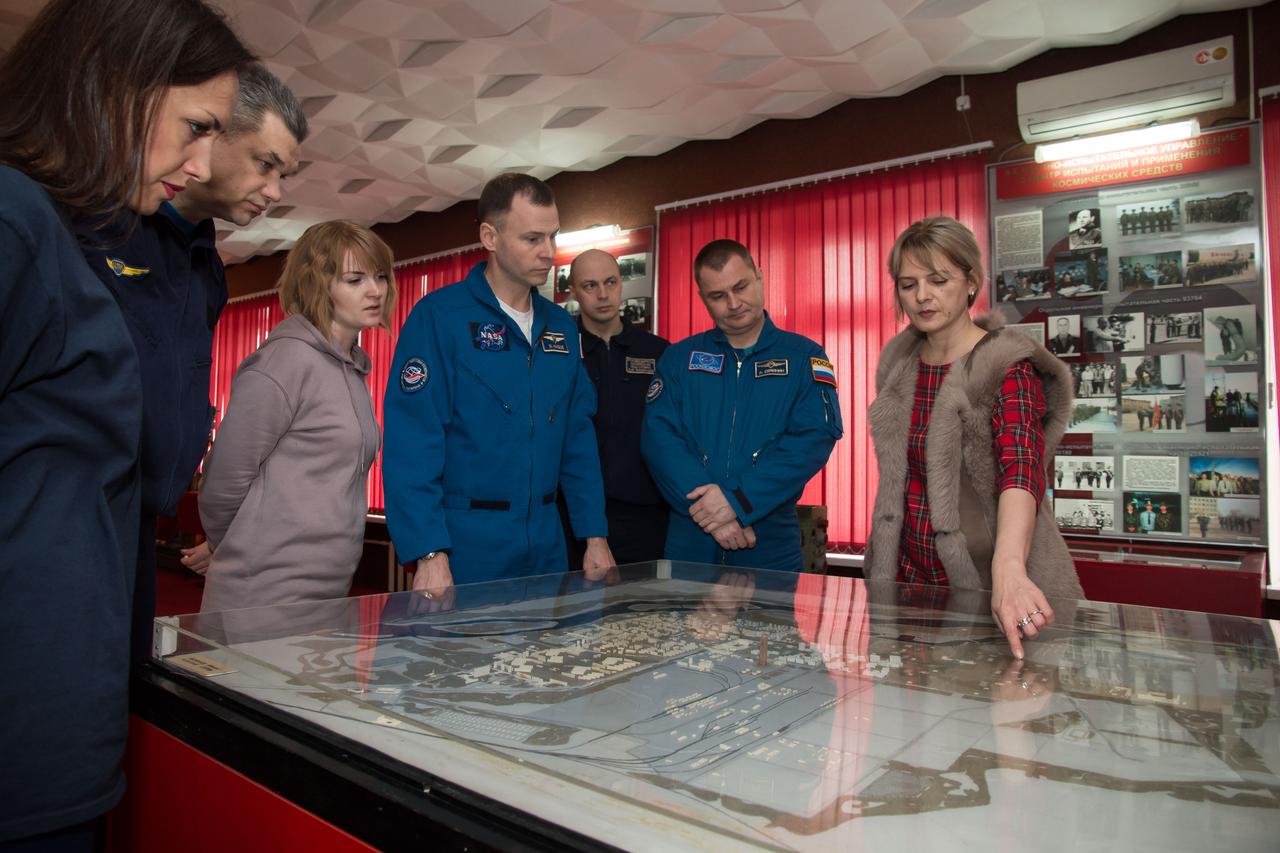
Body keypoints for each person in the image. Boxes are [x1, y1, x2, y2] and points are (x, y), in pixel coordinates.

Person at [0, 0, 251, 847]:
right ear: (113, 83)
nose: (203, 162)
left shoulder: (60, 234)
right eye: (196, 126)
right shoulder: (14, 223)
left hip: (52, 729)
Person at [78, 63, 307, 650]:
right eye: (266, 164)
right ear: (212, 134)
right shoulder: (97, 222)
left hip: (138, 518)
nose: (276, 192)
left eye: (284, 174)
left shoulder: (209, 266)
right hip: (71, 511)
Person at [864, 216, 1083, 659]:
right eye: (908, 285)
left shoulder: (1006, 365)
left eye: (938, 280)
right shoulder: (898, 365)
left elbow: (1021, 467)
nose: (922, 296)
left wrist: (1009, 568)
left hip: (994, 584)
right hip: (910, 585)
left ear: (970, 282)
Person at [384, 174, 613, 598]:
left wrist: (594, 535)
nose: (549, 252)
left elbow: (577, 438)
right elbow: (413, 443)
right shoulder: (440, 317)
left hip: (546, 542)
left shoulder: (561, 327)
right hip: (466, 544)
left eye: (553, 236)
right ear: (490, 236)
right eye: (532, 238)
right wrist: (429, 551)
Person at [198, 222, 391, 612]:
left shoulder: (352, 369)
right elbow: (223, 483)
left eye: (381, 276)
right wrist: (235, 547)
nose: (376, 291)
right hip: (263, 589)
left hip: (328, 586)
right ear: (317, 284)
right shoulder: (285, 360)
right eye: (355, 279)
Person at [641, 239, 842, 571]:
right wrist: (714, 514)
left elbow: (812, 440)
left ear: (759, 277)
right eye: (718, 296)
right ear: (702, 298)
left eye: (741, 287)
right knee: (682, 611)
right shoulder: (678, 359)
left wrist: (738, 501)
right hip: (691, 536)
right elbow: (659, 440)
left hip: (769, 537)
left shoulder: (804, 356)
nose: (733, 303)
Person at [563, 248, 669, 565]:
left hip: (646, 516)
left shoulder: (659, 352)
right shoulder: (560, 352)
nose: (603, 294)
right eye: (590, 285)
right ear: (573, 291)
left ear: (621, 283)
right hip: (573, 517)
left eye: (610, 282)